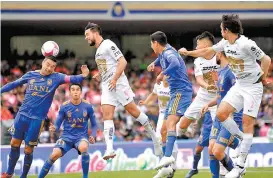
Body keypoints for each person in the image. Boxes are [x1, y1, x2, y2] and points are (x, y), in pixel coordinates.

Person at [179, 14, 271, 177]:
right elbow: (207, 50)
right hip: (240, 85)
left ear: (226, 30)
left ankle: (240, 164)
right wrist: (188, 53)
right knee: (221, 113)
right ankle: (241, 139)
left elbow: (266, 59)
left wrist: (262, 77)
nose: (220, 31)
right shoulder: (225, 43)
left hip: (252, 87)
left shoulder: (246, 44)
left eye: (221, 28)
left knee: (247, 122)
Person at [1, 56, 89, 178]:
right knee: (14, 143)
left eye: (52, 67)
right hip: (21, 116)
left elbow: (71, 78)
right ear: (43, 63)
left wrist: (83, 75)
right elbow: (14, 83)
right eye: (48, 65)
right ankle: (9, 173)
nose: (49, 68)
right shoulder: (31, 75)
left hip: (36, 120)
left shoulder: (56, 77)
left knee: (28, 150)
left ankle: (23, 176)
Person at [84, 22, 162, 160]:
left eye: (87, 34)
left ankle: (155, 137)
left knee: (133, 111)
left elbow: (122, 62)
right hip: (107, 85)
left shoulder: (108, 44)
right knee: (107, 115)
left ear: (95, 33)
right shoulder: (97, 52)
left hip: (118, 83)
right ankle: (109, 149)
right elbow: (108, 68)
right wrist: (100, 76)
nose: (86, 38)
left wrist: (114, 79)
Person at [147, 31, 193, 177]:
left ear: (155, 43)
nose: (151, 46)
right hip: (175, 92)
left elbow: (174, 62)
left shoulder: (168, 53)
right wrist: (154, 64)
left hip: (181, 91)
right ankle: (169, 167)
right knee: (164, 131)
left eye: (151, 43)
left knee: (171, 123)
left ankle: (168, 159)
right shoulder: (165, 51)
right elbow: (162, 59)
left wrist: (162, 73)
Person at [180, 31, 218, 178]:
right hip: (202, 97)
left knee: (214, 145)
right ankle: (192, 124)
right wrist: (207, 86)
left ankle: (228, 165)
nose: (196, 47)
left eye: (198, 43)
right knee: (182, 125)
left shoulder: (219, 55)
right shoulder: (198, 61)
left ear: (207, 43)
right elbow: (199, 79)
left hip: (218, 100)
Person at [38, 84, 97, 178]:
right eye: (73, 90)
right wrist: (55, 128)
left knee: (84, 148)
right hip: (66, 138)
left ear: (81, 92)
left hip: (81, 137)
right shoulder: (64, 106)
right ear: (70, 92)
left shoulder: (88, 106)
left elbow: (94, 124)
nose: (75, 91)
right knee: (54, 154)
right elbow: (58, 123)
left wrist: (93, 135)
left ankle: (85, 176)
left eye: (77, 89)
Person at [201, 52, 242, 178]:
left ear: (220, 54)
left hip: (229, 117)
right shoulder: (221, 72)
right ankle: (235, 142)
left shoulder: (231, 71)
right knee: (211, 150)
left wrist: (231, 112)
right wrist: (208, 104)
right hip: (219, 117)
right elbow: (219, 97)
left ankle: (237, 174)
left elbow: (239, 93)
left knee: (218, 152)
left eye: (216, 55)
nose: (215, 58)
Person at [139, 76, 178, 178]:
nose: (167, 78)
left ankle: (171, 166)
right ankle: (167, 166)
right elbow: (153, 94)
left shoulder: (174, 87)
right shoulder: (158, 85)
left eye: (169, 76)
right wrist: (146, 102)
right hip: (162, 114)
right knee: (159, 139)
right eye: (165, 75)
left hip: (172, 114)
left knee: (171, 138)